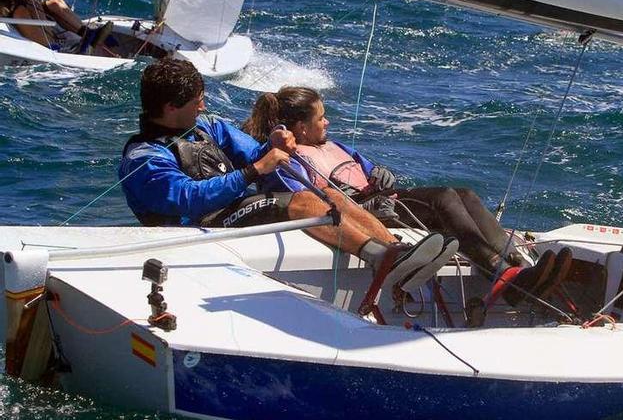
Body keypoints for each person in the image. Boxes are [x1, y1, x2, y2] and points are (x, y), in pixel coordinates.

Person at [118, 58, 455, 290]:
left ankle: (395, 251)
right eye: (197, 102)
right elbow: (188, 199)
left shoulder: (207, 126)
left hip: (235, 209)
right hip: (203, 226)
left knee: (331, 196)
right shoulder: (144, 158)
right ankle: (381, 258)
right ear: (170, 108)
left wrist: (274, 143)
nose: (203, 107)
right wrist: (252, 172)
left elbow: (253, 153)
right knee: (307, 202)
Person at [242, 86, 573, 308]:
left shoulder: (334, 145)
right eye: (320, 118)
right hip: (372, 210)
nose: (327, 121)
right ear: (300, 128)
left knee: (466, 194)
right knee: (443, 197)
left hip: (385, 196)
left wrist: (379, 171)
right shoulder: (289, 158)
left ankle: (516, 264)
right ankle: (505, 279)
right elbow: (311, 196)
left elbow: (366, 168)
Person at [0, 0, 113, 53]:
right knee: (21, 12)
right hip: (5, 8)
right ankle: (54, 48)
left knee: (55, 3)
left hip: (12, 1)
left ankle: (88, 34)